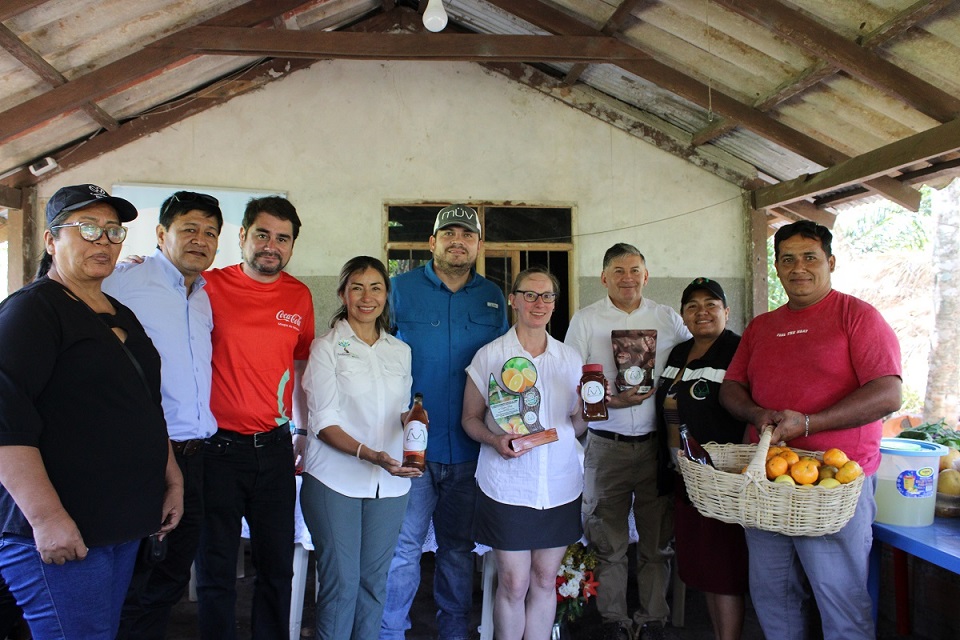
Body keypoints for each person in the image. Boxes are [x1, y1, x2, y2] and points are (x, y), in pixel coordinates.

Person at [0, 184, 182, 639]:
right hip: (64, 526)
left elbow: (143, 403)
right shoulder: (31, 312)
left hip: (119, 522)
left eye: (112, 231)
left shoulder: (119, 312)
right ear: (50, 241)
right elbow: (6, 423)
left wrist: (171, 476)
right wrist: (46, 518)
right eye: (87, 228)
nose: (103, 241)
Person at [719, 220, 902, 640]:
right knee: (772, 594)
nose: (798, 267)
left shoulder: (858, 316)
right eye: (787, 259)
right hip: (768, 479)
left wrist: (809, 423)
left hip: (834, 485)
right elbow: (732, 387)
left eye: (809, 257)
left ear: (830, 262)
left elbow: (889, 393)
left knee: (839, 598)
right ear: (778, 268)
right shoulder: (762, 326)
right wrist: (754, 413)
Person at [381, 204, 509, 640]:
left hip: (471, 450)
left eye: (467, 235)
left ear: (478, 245)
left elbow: (507, 370)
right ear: (431, 242)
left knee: (457, 551)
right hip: (412, 448)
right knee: (403, 549)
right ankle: (389, 633)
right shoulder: (397, 290)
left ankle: (454, 633)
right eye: (449, 233)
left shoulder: (492, 295)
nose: (458, 241)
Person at [102, 191, 223, 639]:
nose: (200, 239)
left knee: (171, 577)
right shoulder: (121, 282)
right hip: (147, 455)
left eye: (210, 232)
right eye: (189, 228)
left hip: (197, 455)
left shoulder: (204, 296)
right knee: (134, 576)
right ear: (160, 234)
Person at [194, 196, 315, 640]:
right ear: (242, 236)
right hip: (217, 451)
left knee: (276, 568)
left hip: (275, 448)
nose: (271, 246)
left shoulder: (298, 296)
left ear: (291, 246)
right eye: (262, 234)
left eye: (282, 238)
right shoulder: (206, 285)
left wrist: (301, 428)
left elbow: (300, 366)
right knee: (217, 569)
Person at [564, 243, 691, 640]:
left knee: (656, 540)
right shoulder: (585, 321)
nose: (627, 278)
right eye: (618, 271)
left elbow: (694, 359)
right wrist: (612, 400)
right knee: (608, 539)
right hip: (606, 444)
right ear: (603, 278)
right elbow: (570, 382)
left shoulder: (667, 318)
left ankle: (653, 617)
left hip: (656, 447)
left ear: (646, 275)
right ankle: (614, 619)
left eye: (635, 270)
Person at [300, 256, 422, 640]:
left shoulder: (399, 351)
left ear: (387, 295)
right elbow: (323, 423)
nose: (367, 297)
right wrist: (371, 455)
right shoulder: (327, 347)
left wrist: (413, 422)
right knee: (342, 586)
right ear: (342, 294)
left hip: (391, 484)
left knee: (374, 584)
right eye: (357, 287)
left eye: (376, 288)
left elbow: (399, 410)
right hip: (335, 480)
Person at [462, 267, 586, 640]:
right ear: (513, 300)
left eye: (546, 296)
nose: (538, 303)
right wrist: (494, 440)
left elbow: (576, 428)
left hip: (560, 485)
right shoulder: (490, 356)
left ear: (554, 304)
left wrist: (587, 409)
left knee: (546, 580)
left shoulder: (570, 358)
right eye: (529, 295)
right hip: (508, 486)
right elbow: (469, 419)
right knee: (514, 583)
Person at [654, 278, 747, 640]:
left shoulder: (738, 351)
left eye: (711, 304)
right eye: (692, 306)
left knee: (723, 569)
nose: (702, 312)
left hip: (721, 479)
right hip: (684, 475)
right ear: (683, 316)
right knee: (705, 566)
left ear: (726, 311)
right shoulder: (679, 353)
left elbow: (746, 413)